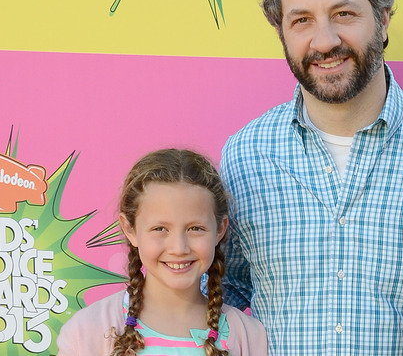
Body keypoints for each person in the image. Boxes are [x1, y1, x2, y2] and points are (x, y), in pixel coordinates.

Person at [218, 0, 403, 355]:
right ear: (281, 31)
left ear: (384, 17)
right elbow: (229, 294)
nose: (325, 40)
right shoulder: (245, 157)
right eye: (302, 20)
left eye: (344, 14)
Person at [57, 149, 267, 356]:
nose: (179, 248)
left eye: (195, 228)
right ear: (130, 229)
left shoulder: (248, 336)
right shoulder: (86, 331)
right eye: (160, 229)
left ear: (220, 229)